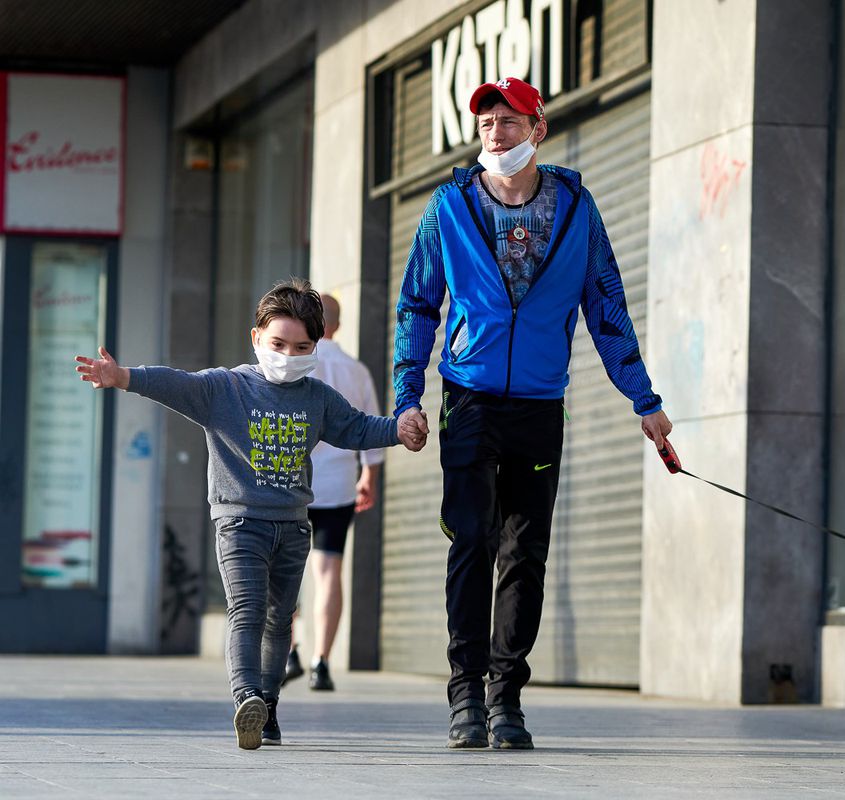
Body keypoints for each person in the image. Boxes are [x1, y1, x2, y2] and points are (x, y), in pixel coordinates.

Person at [392, 77, 672, 749]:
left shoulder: (577, 207)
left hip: (541, 405)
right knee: (472, 542)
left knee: (525, 553)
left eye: (509, 122)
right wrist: (407, 396)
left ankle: (506, 697)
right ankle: (464, 695)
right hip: (469, 396)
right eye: (486, 123)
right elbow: (417, 305)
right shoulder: (448, 207)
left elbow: (607, 308)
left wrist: (645, 400)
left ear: (537, 131)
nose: (495, 133)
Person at [74, 279, 403, 750]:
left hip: (292, 526)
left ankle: (266, 708)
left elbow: (357, 427)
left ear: (318, 344)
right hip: (240, 523)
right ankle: (245, 696)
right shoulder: (225, 388)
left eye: (301, 346)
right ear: (256, 339)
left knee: (281, 620)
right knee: (246, 611)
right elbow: (174, 383)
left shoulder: (317, 396)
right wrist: (123, 376)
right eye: (278, 344)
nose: (288, 355)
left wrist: (399, 430)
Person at [281, 293, 385, 691]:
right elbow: (370, 428)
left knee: (285, 570)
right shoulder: (355, 371)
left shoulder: (296, 367)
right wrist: (368, 477)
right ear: (338, 325)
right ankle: (321, 661)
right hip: (339, 485)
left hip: (293, 485)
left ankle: (288, 650)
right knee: (329, 572)